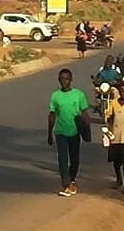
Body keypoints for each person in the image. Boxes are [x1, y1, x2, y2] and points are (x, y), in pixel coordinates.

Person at [47, 69, 91, 197]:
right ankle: (66, 184)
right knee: (62, 159)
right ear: (58, 80)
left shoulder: (79, 95)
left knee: (74, 159)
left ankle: (71, 180)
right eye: (62, 79)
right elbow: (52, 115)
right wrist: (49, 133)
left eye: (66, 79)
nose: (64, 82)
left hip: (75, 131)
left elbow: (84, 114)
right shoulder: (55, 96)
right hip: (60, 132)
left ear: (71, 80)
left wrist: (87, 132)